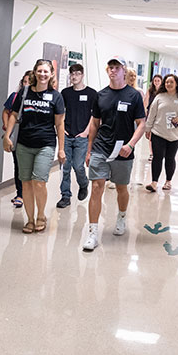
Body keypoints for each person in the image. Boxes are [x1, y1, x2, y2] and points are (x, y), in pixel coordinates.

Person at [82, 57, 146, 251]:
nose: (113, 71)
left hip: (123, 151)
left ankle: (121, 217)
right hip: (101, 148)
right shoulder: (100, 95)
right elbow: (94, 123)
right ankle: (93, 233)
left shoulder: (134, 96)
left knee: (121, 188)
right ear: (107, 70)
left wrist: (131, 144)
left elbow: (141, 123)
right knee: (97, 187)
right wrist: (89, 149)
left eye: (117, 68)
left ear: (123, 71)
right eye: (110, 68)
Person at [3, 59, 65, 233]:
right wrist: (7, 136)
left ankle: (41, 215)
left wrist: (61, 149)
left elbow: (60, 125)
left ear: (51, 74)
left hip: (45, 144)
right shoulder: (25, 93)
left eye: (46, 71)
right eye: (39, 71)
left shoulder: (56, 96)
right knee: (26, 182)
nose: (42, 74)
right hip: (24, 144)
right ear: (35, 72)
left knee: (39, 182)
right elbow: (14, 115)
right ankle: (29, 219)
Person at [57, 63, 97, 208]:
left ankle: (83, 183)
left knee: (78, 166)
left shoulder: (92, 94)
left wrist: (86, 132)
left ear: (82, 75)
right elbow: (60, 113)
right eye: (72, 74)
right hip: (67, 135)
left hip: (82, 136)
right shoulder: (65, 93)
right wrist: (62, 130)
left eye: (77, 74)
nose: (74, 77)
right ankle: (65, 196)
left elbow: (95, 116)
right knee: (65, 166)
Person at [144, 74, 178, 192]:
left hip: (175, 135)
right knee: (157, 157)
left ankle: (168, 181)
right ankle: (154, 182)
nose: (168, 84)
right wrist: (148, 129)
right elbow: (152, 114)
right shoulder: (159, 97)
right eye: (166, 82)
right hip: (158, 132)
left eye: (171, 82)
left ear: (176, 83)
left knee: (170, 158)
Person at [3, 70, 32, 208]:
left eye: (29, 82)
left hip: (31, 136)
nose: (26, 84)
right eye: (24, 82)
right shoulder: (15, 96)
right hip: (17, 134)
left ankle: (28, 193)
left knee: (29, 168)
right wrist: (6, 127)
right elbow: (6, 112)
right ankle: (20, 193)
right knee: (18, 165)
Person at [144, 74, 164, 161]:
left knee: (160, 134)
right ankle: (152, 153)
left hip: (160, 115)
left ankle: (160, 152)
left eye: (158, 81)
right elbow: (145, 102)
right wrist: (145, 114)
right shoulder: (150, 91)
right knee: (151, 135)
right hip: (151, 114)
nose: (156, 82)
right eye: (155, 81)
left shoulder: (163, 92)